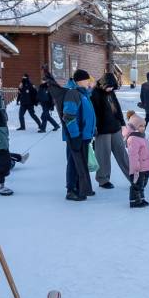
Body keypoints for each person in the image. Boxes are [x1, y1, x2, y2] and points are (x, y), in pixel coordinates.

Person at [90, 72, 130, 189]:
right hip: (102, 130)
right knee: (103, 156)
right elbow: (94, 113)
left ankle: (133, 176)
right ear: (103, 84)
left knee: (122, 153)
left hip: (115, 127)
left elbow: (116, 107)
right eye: (109, 86)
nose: (111, 89)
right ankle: (103, 179)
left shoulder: (111, 92)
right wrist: (95, 128)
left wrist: (122, 122)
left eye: (113, 87)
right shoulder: (95, 93)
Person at [62, 69, 97, 201]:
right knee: (73, 162)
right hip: (76, 136)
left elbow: (88, 114)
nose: (89, 81)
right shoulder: (72, 93)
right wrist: (75, 135)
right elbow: (69, 116)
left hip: (84, 135)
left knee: (81, 163)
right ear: (80, 80)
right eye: (87, 79)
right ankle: (71, 190)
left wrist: (93, 129)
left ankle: (81, 187)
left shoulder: (84, 94)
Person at [124, 113, 149, 208]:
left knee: (142, 184)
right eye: (141, 126)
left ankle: (141, 198)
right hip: (138, 168)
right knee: (137, 184)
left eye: (144, 126)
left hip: (145, 166)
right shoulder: (133, 139)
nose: (143, 128)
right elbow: (133, 156)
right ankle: (134, 201)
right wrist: (135, 169)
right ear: (135, 127)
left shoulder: (141, 136)